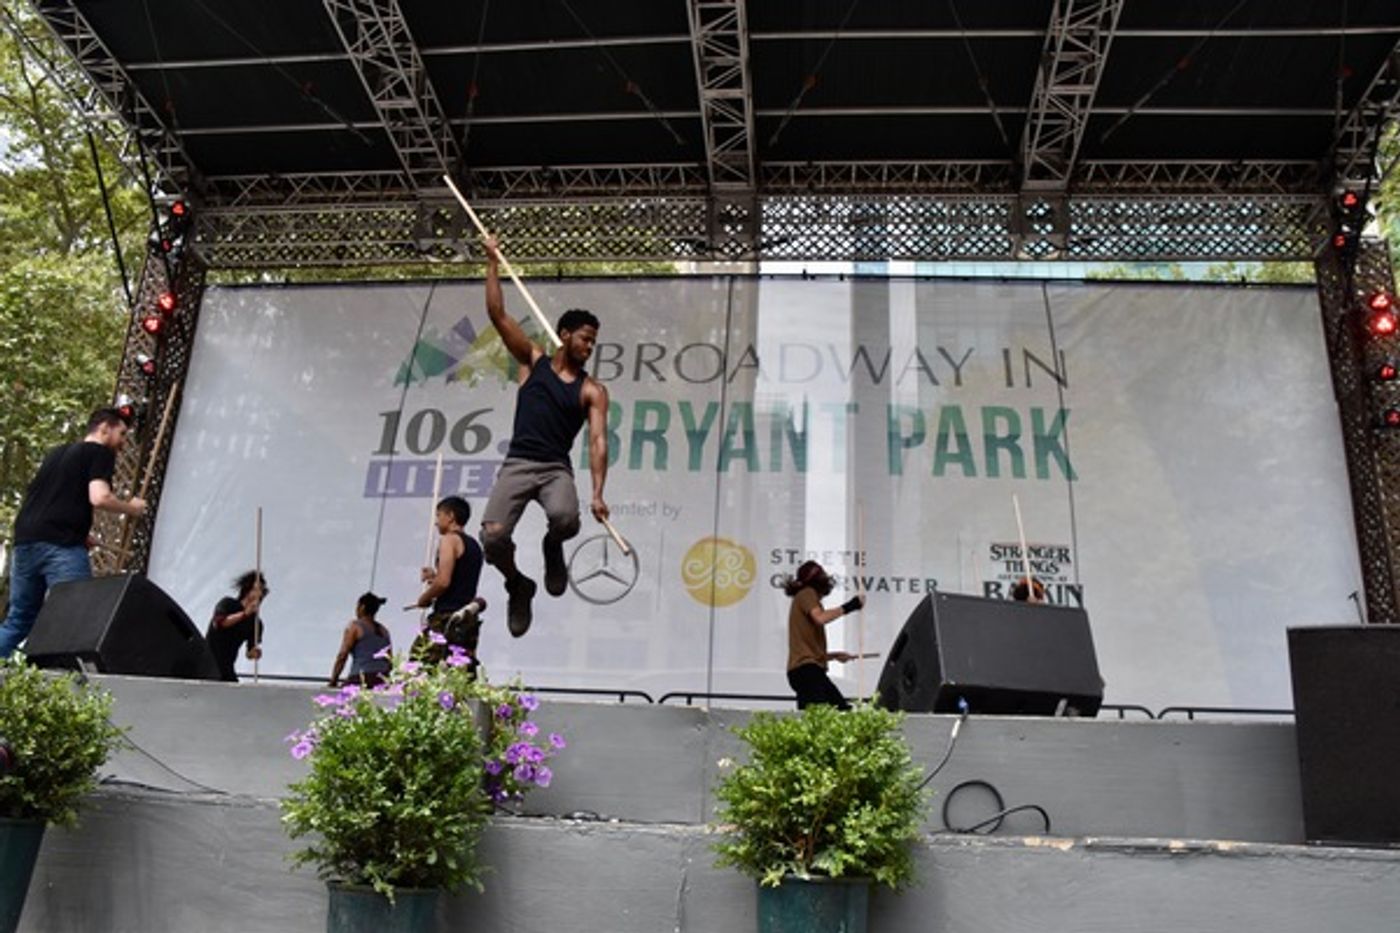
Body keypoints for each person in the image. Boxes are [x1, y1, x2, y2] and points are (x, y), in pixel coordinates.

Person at [478, 235, 611, 637]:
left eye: (593, 341)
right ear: (565, 334)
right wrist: (492, 261)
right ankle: (518, 584)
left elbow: (598, 442)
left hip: (555, 468)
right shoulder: (532, 361)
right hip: (519, 462)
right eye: (584, 338)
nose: (589, 347)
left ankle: (553, 547)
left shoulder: (593, 390)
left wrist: (598, 492)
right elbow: (498, 314)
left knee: (566, 520)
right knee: (492, 538)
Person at [0, 408, 147, 658]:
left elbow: (50, 499)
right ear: (104, 428)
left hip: (26, 542)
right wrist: (131, 508)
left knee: (18, 619)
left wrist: (80, 533)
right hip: (60, 546)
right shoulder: (100, 453)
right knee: (76, 616)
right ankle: (66, 686)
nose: (123, 442)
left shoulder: (55, 454)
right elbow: (99, 497)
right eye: (122, 434)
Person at [412, 496, 484, 669]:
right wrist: (434, 577)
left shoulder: (449, 540)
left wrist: (425, 598)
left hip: (447, 619)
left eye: (439, 516)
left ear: (450, 516)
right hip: (467, 621)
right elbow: (459, 580)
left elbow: (444, 582)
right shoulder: (474, 545)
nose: (436, 522)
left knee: (419, 669)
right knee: (460, 672)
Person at [785, 560, 864, 711]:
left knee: (819, 718)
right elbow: (820, 618)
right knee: (838, 712)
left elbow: (805, 650)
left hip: (802, 672)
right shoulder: (807, 593)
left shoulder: (801, 599)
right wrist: (851, 606)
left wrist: (833, 656)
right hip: (807, 671)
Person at [207, 571, 267, 682]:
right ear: (247, 588)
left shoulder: (256, 623)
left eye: (262, 590)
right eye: (256, 588)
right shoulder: (227, 603)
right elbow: (219, 623)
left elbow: (249, 651)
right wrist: (244, 614)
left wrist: (254, 653)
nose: (259, 593)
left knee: (237, 696)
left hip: (226, 669)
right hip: (207, 659)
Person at [328, 592, 392, 689]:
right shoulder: (384, 631)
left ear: (362, 607)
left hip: (361, 678)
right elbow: (390, 661)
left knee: (340, 699)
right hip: (383, 681)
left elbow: (342, 656)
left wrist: (333, 681)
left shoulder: (355, 626)